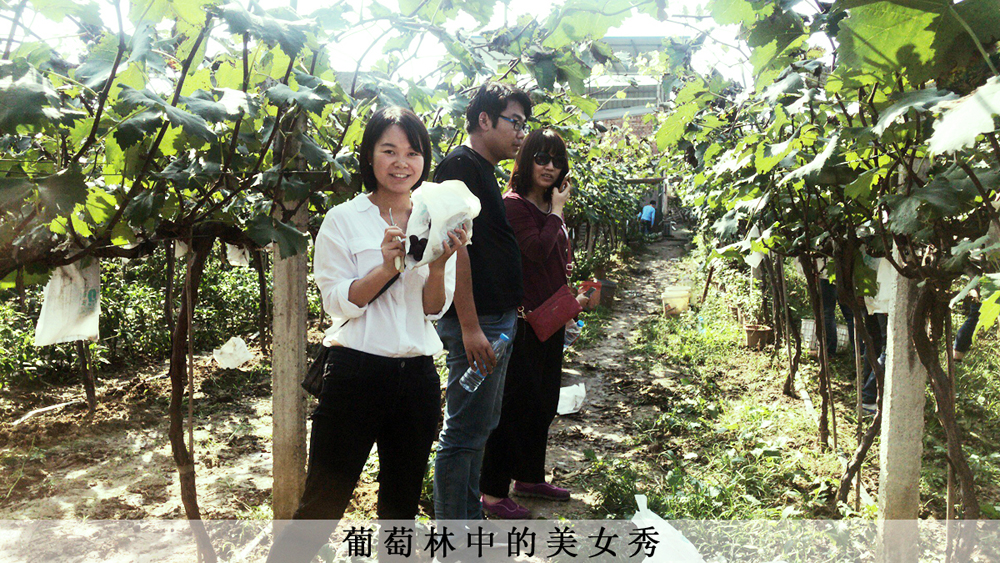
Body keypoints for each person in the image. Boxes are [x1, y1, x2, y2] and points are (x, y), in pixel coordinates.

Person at [266, 107, 466, 563]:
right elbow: (337, 302)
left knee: (400, 510)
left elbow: (434, 309)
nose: (402, 163)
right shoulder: (344, 219)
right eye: (389, 151)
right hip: (355, 375)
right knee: (322, 505)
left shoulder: (437, 219)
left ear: (424, 159)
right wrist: (387, 267)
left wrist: (438, 265)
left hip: (417, 377)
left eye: (413, 152)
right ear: (370, 157)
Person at [433, 82, 532, 521]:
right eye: (515, 122)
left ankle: (467, 521)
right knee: (463, 433)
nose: (521, 134)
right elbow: (455, 249)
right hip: (479, 325)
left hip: (495, 321)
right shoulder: (460, 166)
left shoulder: (481, 169)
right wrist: (470, 326)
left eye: (524, 125)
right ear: (485, 119)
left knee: (480, 428)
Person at [480, 128, 589, 518]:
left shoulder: (547, 205)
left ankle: (528, 477)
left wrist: (569, 304)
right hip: (523, 323)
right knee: (514, 406)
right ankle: (492, 494)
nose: (549, 166)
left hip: (550, 318)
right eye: (541, 158)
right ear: (526, 161)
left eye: (557, 160)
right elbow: (536, 250)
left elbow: (555, 261)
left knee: (543, 402)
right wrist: (557, 211)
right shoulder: (514, 206)